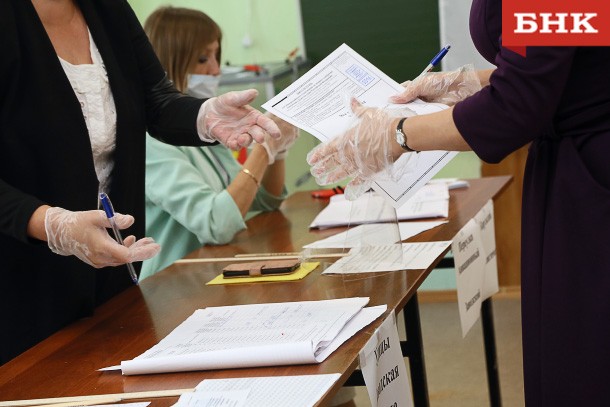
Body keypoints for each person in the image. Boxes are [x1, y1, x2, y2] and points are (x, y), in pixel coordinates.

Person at [307, 0, 610, 404]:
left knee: (587, 354)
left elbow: (514, 109)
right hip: (580, 160)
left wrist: (398, 134)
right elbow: (586, 43)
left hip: (594, 176)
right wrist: (478, 83)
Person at [0, 0, 281, 365]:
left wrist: (203, 115)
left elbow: (155, 100)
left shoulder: (107, 9)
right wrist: (51, 224)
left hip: (113, 277)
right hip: (21, 288)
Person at [140, 6, 299, 279]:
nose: (215, 70)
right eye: (203, 58)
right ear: (167, 62)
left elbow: (262, 200)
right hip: (173, 288)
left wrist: (277, 148)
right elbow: (217, 223)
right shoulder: (152, 141)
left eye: (217, 55)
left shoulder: (207, 128)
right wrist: (263, 150)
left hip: (218, 270)